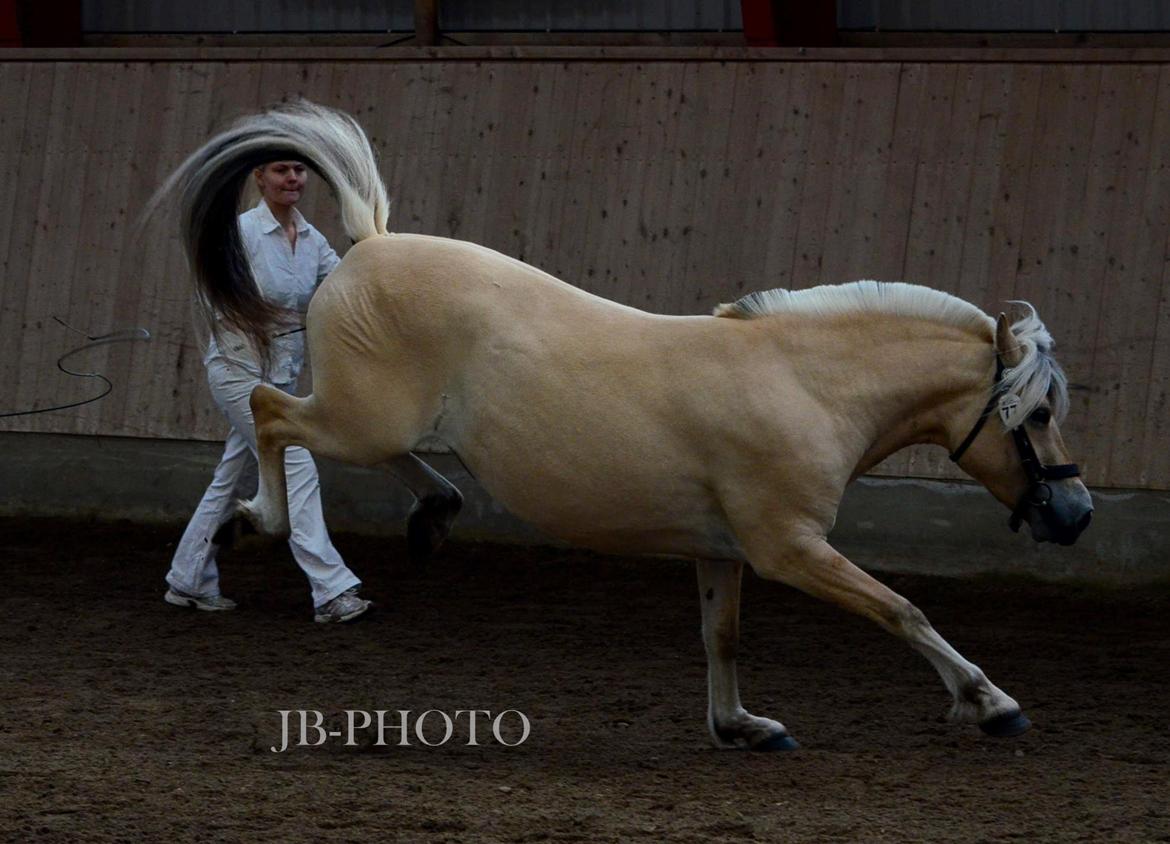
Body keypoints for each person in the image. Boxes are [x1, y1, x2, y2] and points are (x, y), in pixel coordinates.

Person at [164, 160, 371, 624]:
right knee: (295, 467)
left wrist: (371, 260)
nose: (293, 179)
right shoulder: (239, 234)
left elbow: (340, 289)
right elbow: (216, 297)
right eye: (281, 171)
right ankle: (332, 589)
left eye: (299, 170)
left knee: (232, 479)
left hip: (280, 378)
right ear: (260, 178)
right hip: (241, 373)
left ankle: (188, 578)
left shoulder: (312, 239)